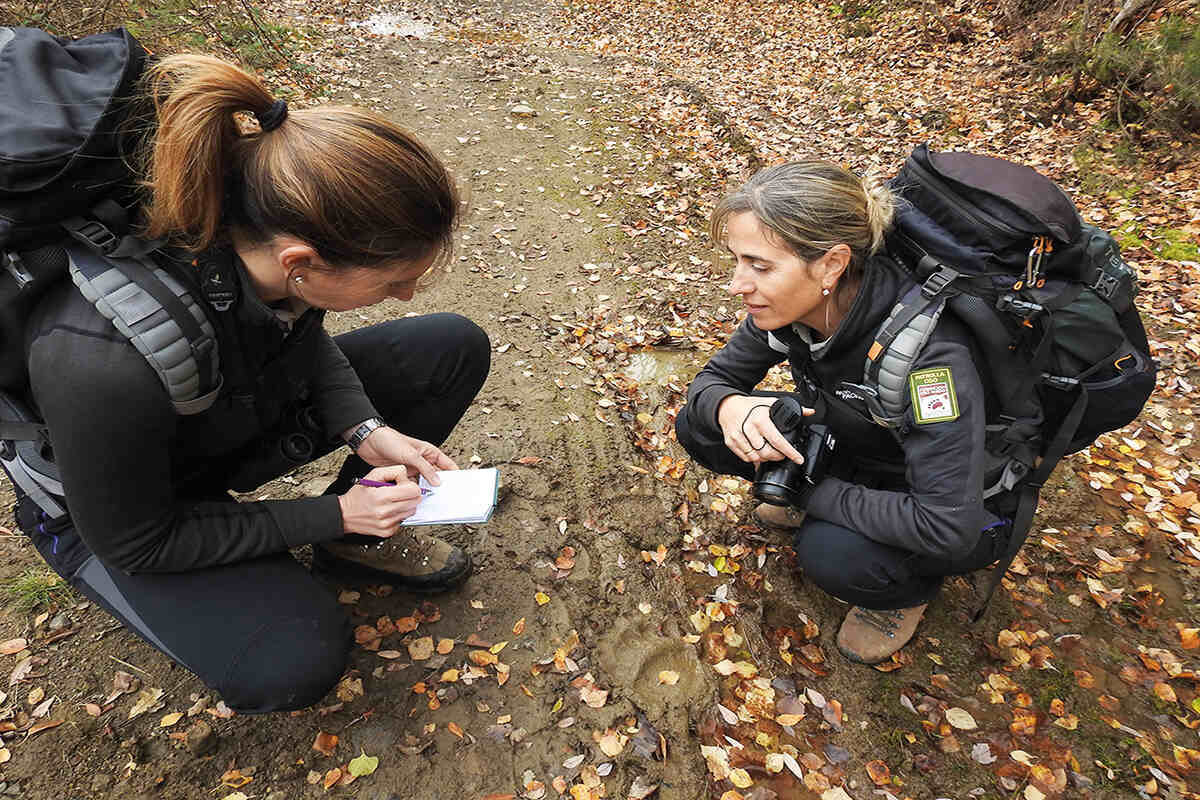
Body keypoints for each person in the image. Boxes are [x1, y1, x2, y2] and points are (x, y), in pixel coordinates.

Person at [7, 54, 490, 712]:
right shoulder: (101, 357)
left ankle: (357, 546)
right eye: (390, 282)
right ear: (302, 262)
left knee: (450, 347)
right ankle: (330, 538)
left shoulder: (256, 224)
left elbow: (297, 333)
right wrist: (332, 511)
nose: (405, 295)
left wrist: (366, 429)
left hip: (212, 414)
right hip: (113, 509)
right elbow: (141, 540)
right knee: (292, 659)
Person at [675, 162, 1015, 665]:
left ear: (832, 264)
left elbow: (948, 524)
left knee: (833, 557)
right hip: (858, 441)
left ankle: (906, 592)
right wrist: (731, 407)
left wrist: (810, 490)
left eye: (759, 266)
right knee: (699, 425)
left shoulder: (929, 361)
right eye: (736, 261)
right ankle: (824, 501)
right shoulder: (790, 309)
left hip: (937, 494)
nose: (736, 284)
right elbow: (711, 382)